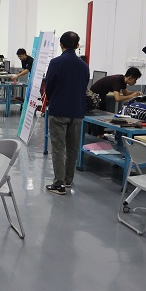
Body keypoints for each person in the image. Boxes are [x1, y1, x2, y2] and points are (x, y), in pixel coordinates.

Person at [44, 31, 90, 195]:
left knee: (58, 148)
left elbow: (49, 86)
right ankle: (68, 180)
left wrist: (54, 99)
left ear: (61, 44)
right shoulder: (84, 65)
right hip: (77, 111)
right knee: (72, 148)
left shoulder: (56, 62)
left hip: (59, 110)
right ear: (77, 45)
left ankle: (59, 184)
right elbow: (84, 86)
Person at [89, 67, 143, 137]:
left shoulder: (123, 80)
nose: (135, 82)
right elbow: (117, 98)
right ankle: (96, 136)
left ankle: (101, 135)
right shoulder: (117, 81)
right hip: (94, 96)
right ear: (130, 78)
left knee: (103, 115)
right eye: (135, 80)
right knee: (97, 117)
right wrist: (132, 96)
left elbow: (125, 93)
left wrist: (135, 93)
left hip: (101, 95)